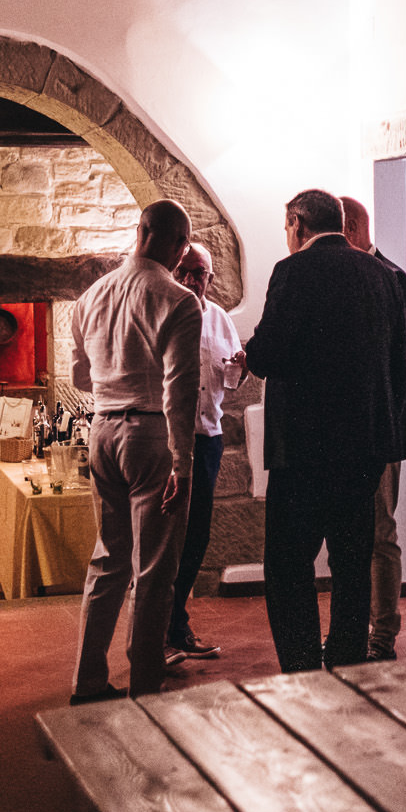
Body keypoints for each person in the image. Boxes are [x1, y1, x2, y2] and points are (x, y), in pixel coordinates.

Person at [243, 189, 406, 672]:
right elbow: (401, 362)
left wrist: (249, 355)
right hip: (364, 446)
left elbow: (269, 353)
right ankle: (345, 657)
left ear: (298, 223)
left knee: (289, 564)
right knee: (350, 560)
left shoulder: (293, 271)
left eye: (286, 229)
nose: (287, 238)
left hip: (303, 448)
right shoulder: (384, 276)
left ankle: (300, 665)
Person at [69, 201, 200, 702]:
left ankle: (86, 680)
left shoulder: (91, 295)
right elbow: (180, 391)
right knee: (154, 569)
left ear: (139, 230)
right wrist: (183, 467)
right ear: (179, 245)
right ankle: (145, 685)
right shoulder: (178, 298)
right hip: (151, 434)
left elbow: (80, 376)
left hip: (101, 428)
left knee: (107, 559)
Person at [339, 195, 406, 662]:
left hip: (384, 423)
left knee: (379, 531)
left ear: (349, 228)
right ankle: (357, 633)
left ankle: (382, 636)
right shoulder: (353, 277)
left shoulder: (392, 279)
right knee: (357, 532)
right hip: (354, 427)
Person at [164, 242, 243, 666]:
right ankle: (162, 631)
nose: (195, 280)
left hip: (207, 439)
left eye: (202, 274)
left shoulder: (220, 320)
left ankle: (177, 626)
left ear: (212, 279)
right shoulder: (162, 311)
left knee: (196, 537)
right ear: (174, 272)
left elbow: (229, 381)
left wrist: (239, 370)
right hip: (167, 439)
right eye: (187, 271)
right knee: (166, 538)